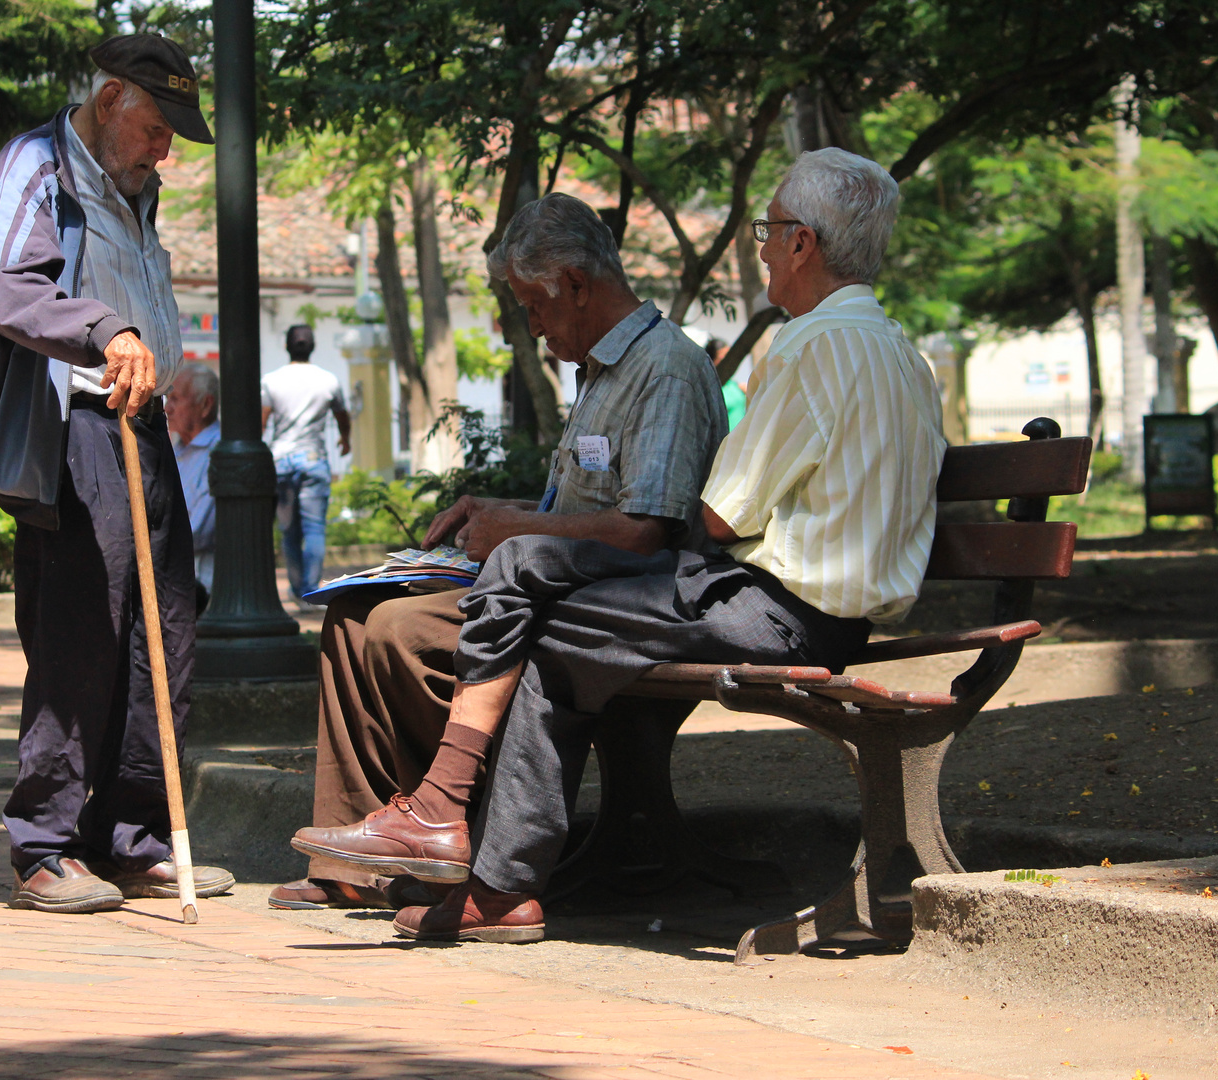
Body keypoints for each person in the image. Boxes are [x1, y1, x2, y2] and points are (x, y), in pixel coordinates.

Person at [298, 148, 947, 944]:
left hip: (782, 611)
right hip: (820, 608)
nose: (764, 248)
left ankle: (468, 846)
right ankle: (480, 865)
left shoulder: (810, 347)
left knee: (535, 590)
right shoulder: (903, 355)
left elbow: (714, 518)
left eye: (770, 232)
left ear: (805, 243)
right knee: (547, 619)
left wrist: (553, 544)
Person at [272, 192, 728, 911]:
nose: (534, 326)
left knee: (398, 633)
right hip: (546, 583)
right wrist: (502, 513)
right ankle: (357, 864)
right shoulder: (602, 372)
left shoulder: (663, 370)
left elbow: (645, 532)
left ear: (576, 284)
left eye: (533, 306)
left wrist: (518, 534)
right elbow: (587, 509)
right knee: (356, 614)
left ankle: (448, 835)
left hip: (602, 603)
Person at [0, 33, 233, 914]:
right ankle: (45, 844)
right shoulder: (38, 164)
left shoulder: (134, 187)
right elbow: (5, 286)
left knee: (165, 628)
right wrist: (104, 330)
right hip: (70, 423)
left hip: (139, 422)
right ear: (112, 100)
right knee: (82, 630)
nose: (165, 150)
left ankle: (134, 834)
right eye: (156, 128)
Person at [261, 325, 350, 605]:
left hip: (281, 462)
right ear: (313, 347)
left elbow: (262, 422)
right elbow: (342, 415)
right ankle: (311, 590)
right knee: (314, 530)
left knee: (289, 532)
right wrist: (345, 439)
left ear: (287, 346)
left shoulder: (271, 381)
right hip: (314, 460)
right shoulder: (328, 380)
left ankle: (297, 589)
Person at [166, 362, 220, 596]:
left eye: (176, 399)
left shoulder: (218, 452)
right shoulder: (176, 451)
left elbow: (196, 532)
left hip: (200, 587)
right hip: (172, 579)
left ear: (205, 405)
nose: (167, 408)